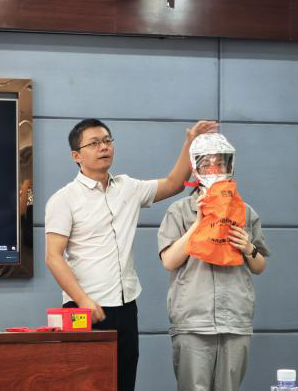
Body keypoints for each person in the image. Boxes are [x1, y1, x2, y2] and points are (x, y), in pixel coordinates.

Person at [45, 118, 217, 391]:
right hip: (84, 309)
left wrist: (190, 142)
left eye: (107, 141)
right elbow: (53, 257)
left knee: (124, 382)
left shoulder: (128, 187)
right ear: (76, 156)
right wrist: (83, 300)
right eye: (94, 143)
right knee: (86, 385)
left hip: (125, 306)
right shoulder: (63, 199)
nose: (104, 147)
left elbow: (174, 183)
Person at [157, 133, 270, 391]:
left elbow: (259, 266)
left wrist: (248, 247)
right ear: (195, 168)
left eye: (220, 163)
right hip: (193, 321)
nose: (214, 169)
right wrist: (199, 223)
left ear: (230, 165)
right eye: (206, 163)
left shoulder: (245, 212)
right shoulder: (179, 211)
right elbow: (169, 261)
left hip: (235, 319)